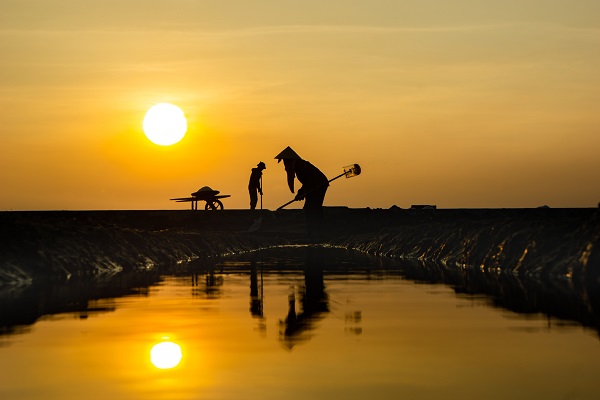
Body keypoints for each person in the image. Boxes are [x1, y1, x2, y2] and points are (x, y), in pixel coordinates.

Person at [275, 146, 329, 235]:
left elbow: (309, 181)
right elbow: (307, 182)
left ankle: (315, 231)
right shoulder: (298, 166)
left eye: (285, 162)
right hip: (315, 185)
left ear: (289, 161)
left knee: (312, 208)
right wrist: (301, 193)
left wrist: (302, 193)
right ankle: (315, 230)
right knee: (312, 207)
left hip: (319, 185)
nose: (285, 165)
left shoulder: (300, 166)